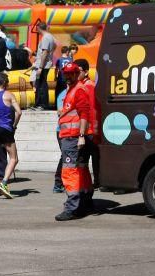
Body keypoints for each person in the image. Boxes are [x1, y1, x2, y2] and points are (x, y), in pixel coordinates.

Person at [55, 61, 92, 221]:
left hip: (73, 137)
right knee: (81, 169)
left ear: (77, 74)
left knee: (70, 171)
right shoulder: (72, 90)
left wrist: (82, 135)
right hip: (71, 136)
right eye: (66, 74)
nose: (68, 76)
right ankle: (84, 202)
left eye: (71, 73)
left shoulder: (78, 90)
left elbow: (84, 113)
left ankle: (72, 207)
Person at [75, 58, 100, 208]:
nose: (75, 74)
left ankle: (85, 197)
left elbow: (88, 111)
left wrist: (82, 134)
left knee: (82, 165)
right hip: (89, 131)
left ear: (85, 72)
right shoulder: (86, 85)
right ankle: (86, 196)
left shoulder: (87, 87)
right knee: (83, 165)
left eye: (78, 71)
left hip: (89, 132)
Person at [32, 22, 57, 110]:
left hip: (43, 64)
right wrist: (51, 54)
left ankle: (42, 104)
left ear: (39, 28)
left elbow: (44, 52)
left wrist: (40, 67)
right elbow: (55, 45)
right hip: (46, 63)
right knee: (41, 83)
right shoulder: (50, 36)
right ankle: (39, 103)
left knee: (42, 84)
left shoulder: (46, 38)